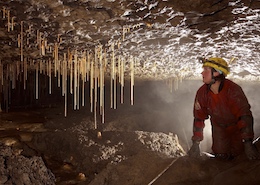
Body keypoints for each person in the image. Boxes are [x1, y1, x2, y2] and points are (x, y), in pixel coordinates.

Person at [188, 57, 259, 160]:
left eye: (206, 70)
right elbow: (199, 118)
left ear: (216, 73)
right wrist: (196, 142)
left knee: (239, 155)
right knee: (220, 156)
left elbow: (244, 116)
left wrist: (247, 142)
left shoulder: (233, 90)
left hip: (236, 127)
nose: (202, 73)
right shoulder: (202, 93)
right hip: (218, 127)